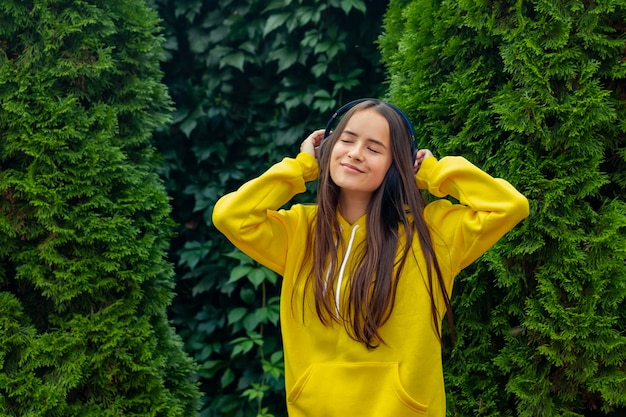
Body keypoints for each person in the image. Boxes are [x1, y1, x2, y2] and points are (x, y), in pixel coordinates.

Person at [212, 99, 529, 417]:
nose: (354, 153)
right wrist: (301, 167)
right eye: (347, 140)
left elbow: (509, 206)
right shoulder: (300, 232)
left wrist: (432, 172)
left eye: (374, 149)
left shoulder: (434, 233)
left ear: (397, 165)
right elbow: (231, 215)